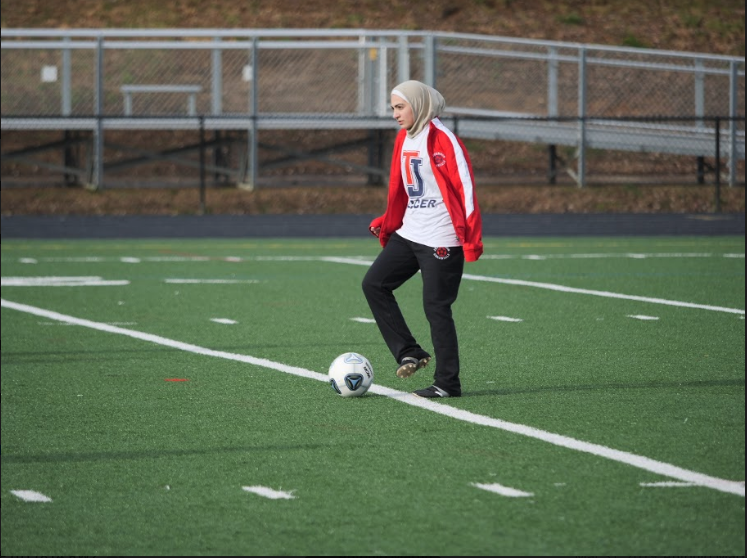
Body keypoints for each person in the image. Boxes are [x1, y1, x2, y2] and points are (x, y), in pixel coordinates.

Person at [361, 80, 483, 398]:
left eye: (400, 107)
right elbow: (399, 189)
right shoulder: (405, 137)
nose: (395, 114)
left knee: (436, 307)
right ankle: (410, 351)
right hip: (410, 232)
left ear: (419, 105)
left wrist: (471, 239)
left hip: (441, 238)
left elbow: (465, 188)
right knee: (374, 284)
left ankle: (448, 383)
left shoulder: (443, 139)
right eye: (393, 108)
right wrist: (387, 223)